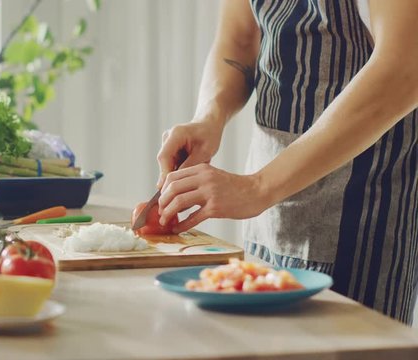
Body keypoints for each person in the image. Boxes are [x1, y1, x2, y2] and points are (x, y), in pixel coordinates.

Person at [155, 0, 418, 324]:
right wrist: (209, 117)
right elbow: (238, 39)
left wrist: (258, 187)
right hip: (267, 213)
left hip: (361, 209)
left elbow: (406, 66)